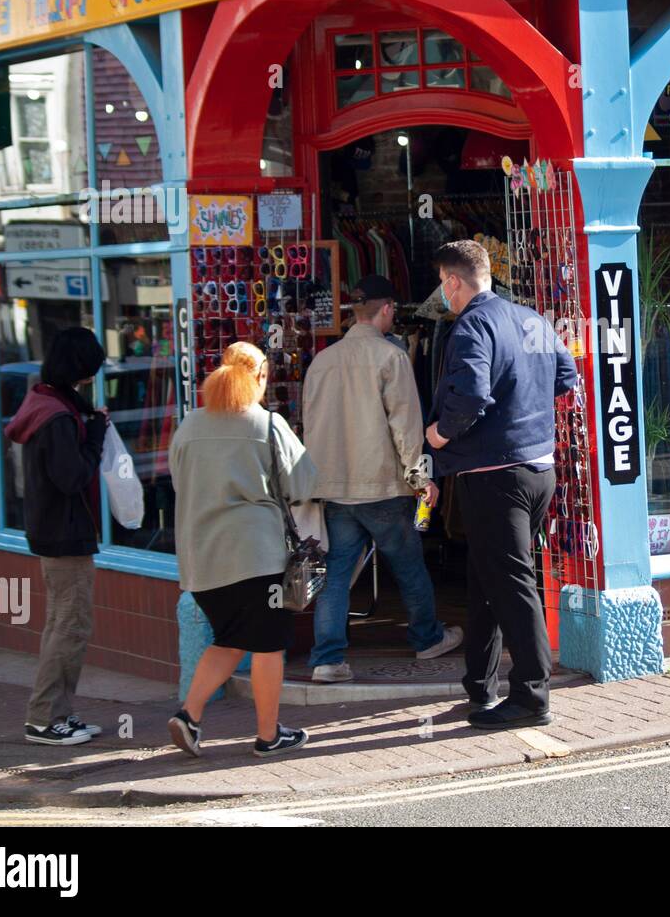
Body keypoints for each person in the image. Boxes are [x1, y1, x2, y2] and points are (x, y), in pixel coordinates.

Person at [426, 240, 578, 730]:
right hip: (538, 470)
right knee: (485, 577)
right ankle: (480, 685)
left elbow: (470, 394)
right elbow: (566, 374)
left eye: (443, 285)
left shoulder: (471, 324)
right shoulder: (530, 317)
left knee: (512, 583)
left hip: (495, 476)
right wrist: (524, 405)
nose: (443, 295)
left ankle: (533, 696)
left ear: (453, 282)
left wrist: (439, 434)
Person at [303, 275, 461, 681]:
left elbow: (312, 427)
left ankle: (327, 659)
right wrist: (420, 478)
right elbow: (405, 427)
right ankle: (426, 639)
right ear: (388, 309)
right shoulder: (391, 358)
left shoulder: (322, 361)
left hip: (335, 488)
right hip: (383, 485)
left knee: (337, 574)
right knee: (408, 566)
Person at [166, 342, 317, 758]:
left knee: (231, 639)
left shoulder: (190, 425)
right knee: (268, 645)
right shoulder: (267, 424)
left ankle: (189, 717)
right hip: (255, 558)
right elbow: (303, 486)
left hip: (201, 562)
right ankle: (269, 736)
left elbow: (179, 483)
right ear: (262, 377)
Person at [5, 327, 109, 746]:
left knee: (61, 625)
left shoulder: (46, 399)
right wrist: (98, 435)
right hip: (66, 534)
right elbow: (73, 477)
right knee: (71, 626)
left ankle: (55, 714)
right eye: (90, 370)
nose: (92, 377)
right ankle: (46, 719)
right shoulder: (58, 416)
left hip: (51, 530)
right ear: (79, 367)